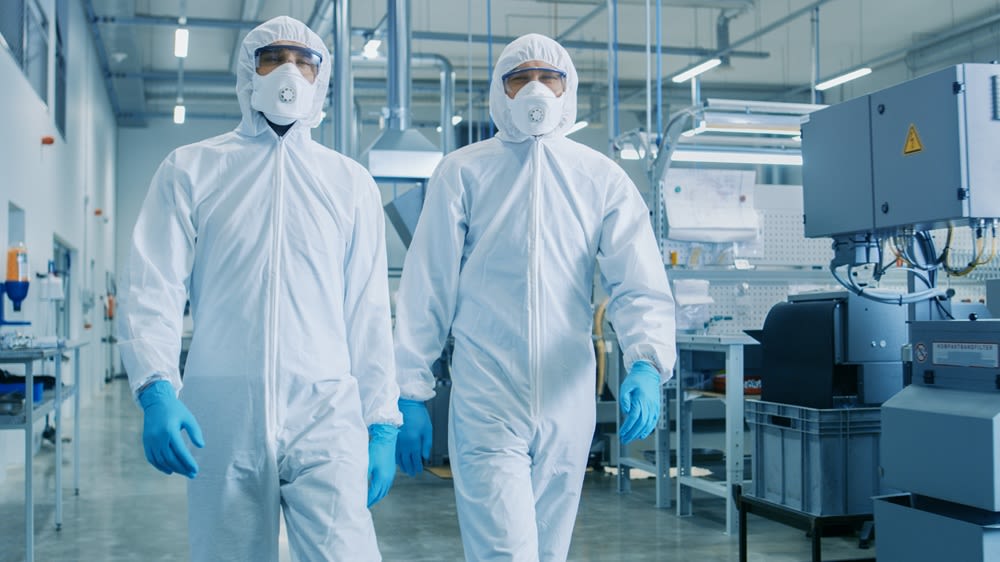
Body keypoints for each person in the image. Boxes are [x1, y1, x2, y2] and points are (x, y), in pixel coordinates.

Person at [118, 16, 400, 562]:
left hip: (326, 410)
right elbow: (151, 285)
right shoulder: (193, 168)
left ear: (321, 79)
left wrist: (381, 421)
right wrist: (155, 388)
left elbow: (367, 310)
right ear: (248, 72)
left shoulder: (349, 183)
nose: (288, 72)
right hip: (223, 412)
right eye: (274, 59)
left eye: (304, 62)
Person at [393, 33, 676, 561]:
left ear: (567, 89)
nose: (535, 88)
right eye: (520, 78)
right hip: (487, 392)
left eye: (549, 77)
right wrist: (409, 389)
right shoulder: (464, 171)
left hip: (568, 396)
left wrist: (646, 362)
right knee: (506, 552)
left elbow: (638, 281)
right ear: (500, 93)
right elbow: (428, 284)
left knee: (550, 551)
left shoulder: (600, 177)